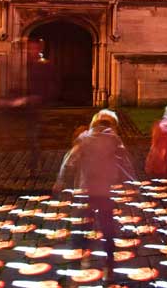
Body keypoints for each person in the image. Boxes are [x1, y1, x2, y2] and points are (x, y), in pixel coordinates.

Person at [53, 109, 135, 283]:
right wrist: (133, 182)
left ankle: (78, 260)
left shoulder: (84, 138)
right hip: (104, 191)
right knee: (107, 227)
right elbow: (125, 162)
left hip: (86, 190)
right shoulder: (114, 139)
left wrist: (60, 181)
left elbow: (69, 160)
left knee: (82, 225)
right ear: (112, 125)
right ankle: (109, 261)